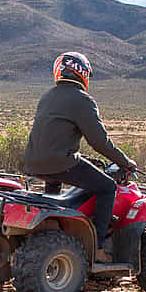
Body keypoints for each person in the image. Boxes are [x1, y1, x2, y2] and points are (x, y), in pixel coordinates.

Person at [24, 52, 137, 263]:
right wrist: (125, 161)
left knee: (55, 185)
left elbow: (54, 136)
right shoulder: (82, 99)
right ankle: (99, 248)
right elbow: (99, 141)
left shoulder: (47, 95)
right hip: (60, 162)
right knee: (107, 187)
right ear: (83, 73)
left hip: (33, 162)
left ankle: (56, 228)